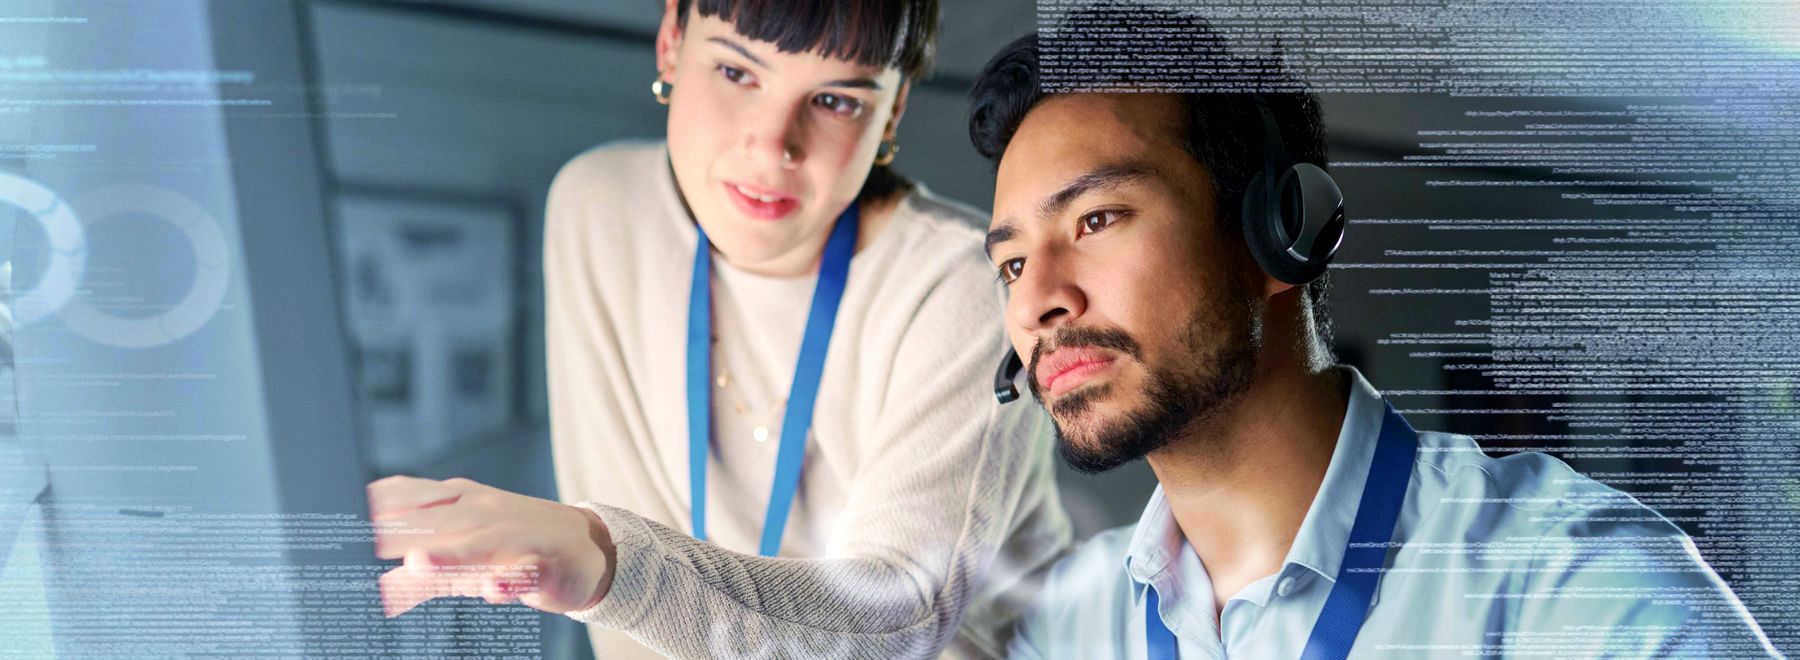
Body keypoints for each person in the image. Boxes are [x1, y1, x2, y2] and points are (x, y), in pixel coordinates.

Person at [966, 4, 1782, 658]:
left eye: (1096, 218)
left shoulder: (1589, 602)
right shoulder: (1061, 626)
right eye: (1010, 264)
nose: (1038, 300)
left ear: (1283, 233)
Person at [364, 0, 1071, 657]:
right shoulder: (600, 211)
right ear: (672, 41)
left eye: (835, 100)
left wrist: (606, 560)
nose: (772, 147)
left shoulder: (966, 285)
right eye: (737, 71)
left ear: (891, 115)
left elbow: (897, 618)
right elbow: (629, 633)